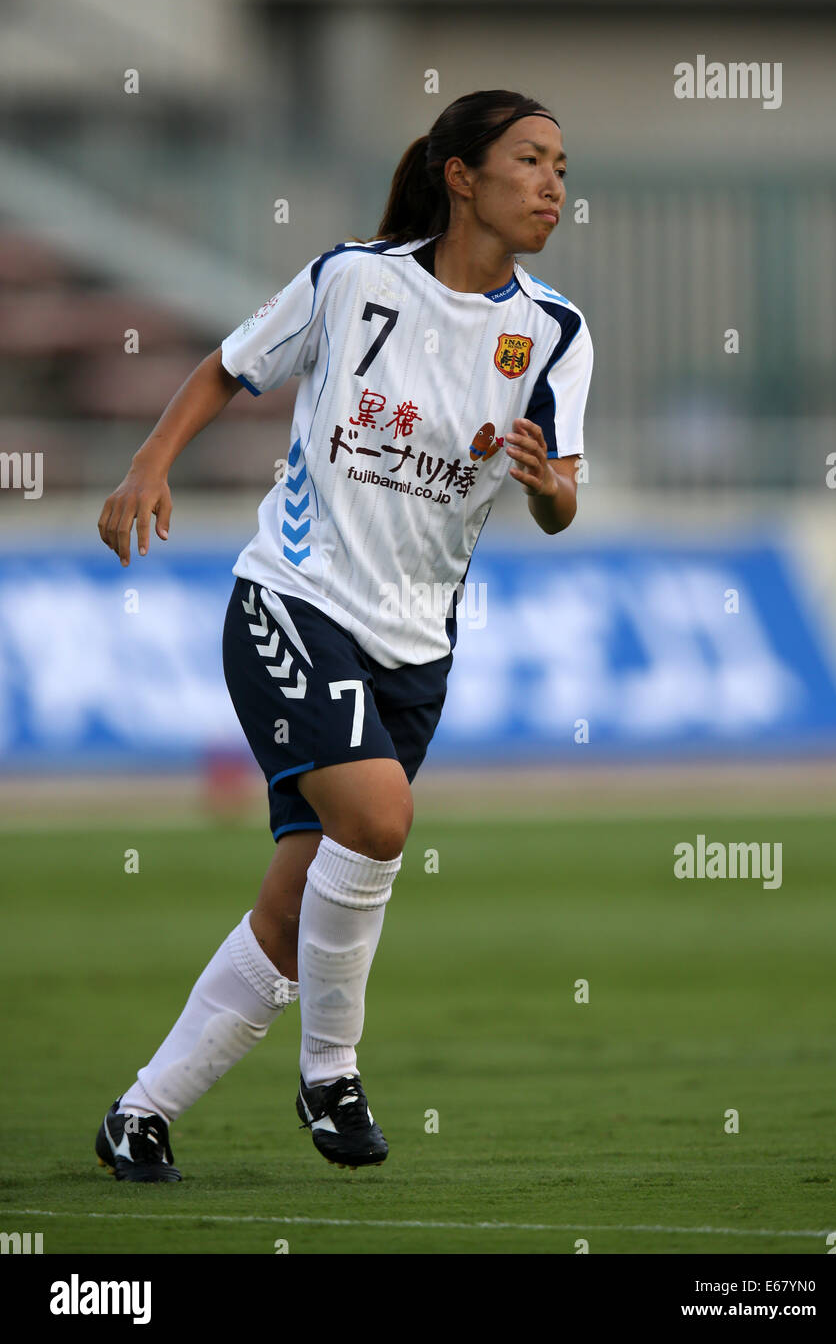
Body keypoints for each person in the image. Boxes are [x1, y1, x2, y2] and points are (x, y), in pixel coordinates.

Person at [95, 88, 593, 1182]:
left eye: (560, 163)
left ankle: (140, 1114)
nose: (554, 183)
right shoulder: (352, 279)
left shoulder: (551, 331)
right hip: (292, 599)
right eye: (529, 160)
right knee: (379, 815)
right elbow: (230, 363)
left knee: (295, 898)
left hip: (415, 648)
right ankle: (330, 1071)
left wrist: (548, 486)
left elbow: (559, 497)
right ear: (460, 176)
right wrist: (149, 463)